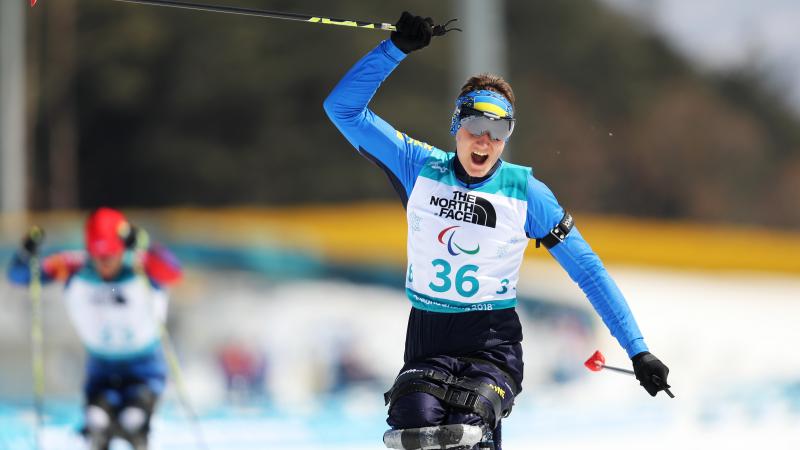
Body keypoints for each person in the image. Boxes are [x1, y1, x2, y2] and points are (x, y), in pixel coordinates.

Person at [323, 12, 671, 450]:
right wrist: (395, 49)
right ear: (457, 126)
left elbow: (588, 270)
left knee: (468, 428)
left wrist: (638, 350)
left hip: (491, 342)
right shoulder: (418, 166)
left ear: (507, 136)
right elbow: (342, 109)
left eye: (498, 130)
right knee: (414, 425)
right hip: (428, 338)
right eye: (475, 127)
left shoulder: (527, 193)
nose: (484, 141)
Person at [7, 207, 182, 450]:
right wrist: (25, 254)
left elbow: (173, 271)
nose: (104, 265)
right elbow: (20, 276)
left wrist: (145, 245)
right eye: (98, 257)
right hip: (101, 366)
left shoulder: (141, 265)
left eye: (110, 256)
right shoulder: (74, 265)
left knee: (134, 421)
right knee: (95, 424)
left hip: (144, 365)